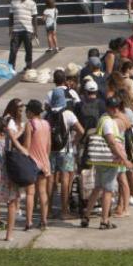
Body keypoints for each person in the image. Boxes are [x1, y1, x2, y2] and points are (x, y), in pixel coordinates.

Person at [81, 96, 133, 230]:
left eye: (117, 107)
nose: (115, 109)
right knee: (108, 191)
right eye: (113, 107)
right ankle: (104, 220)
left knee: (97, 188)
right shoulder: (108, 122)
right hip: (109, 161)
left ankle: (86, 216)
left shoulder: (103, 118)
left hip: (100, 159)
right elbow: (111, 142)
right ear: (108, 107)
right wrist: (124, 159)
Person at [46, 88, 80, 220]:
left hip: (51, 151)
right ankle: (64, 211)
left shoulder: (46, 114)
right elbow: (81, 130)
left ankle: (47, 210)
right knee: (65, 180)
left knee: (50, 180)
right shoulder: (68, 114)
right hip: (66, 151)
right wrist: (74, 141)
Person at [22, 100, 51, 230]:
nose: (25, 112)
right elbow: (49, 145)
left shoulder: (30, 124)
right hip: (44, 161)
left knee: (30, 193)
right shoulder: (46, 124)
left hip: (32, 161)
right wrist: (45, 157)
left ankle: (29, 222)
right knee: (43, 192)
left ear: (31, 112)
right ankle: (44, 220)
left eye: (27, 110)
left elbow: (27, 146)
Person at [8, 0, 38, 72]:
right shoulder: (14, 2)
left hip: (27, 30)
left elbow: (35, 18)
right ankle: (11, 67)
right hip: (16, 30)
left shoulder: (32, 3)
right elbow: (10, 17)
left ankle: (28, 66)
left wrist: (35, 31)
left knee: (28, 49)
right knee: (13, 50)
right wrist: (10, 30)